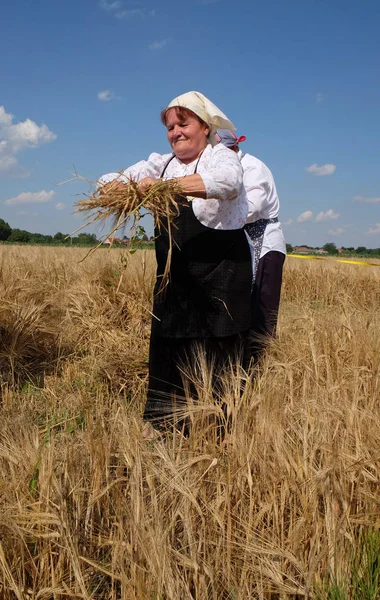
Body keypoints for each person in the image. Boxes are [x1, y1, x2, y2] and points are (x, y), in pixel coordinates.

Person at [99, 92, 253, 431]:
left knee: (218, 348)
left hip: (221, 272)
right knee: (171, 343)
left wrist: (163, 187)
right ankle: (168, 427)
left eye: (183, 123)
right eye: (170, 127)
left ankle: (218, 429)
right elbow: (107, 182)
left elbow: (228, 183)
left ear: (205, 127)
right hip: (175, 273)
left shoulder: (221, 157)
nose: (176, 132)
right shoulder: (160, 162)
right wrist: (123, 188)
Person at [216, 130, 286, 363]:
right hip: (245, 240)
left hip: (265, 243)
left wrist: (215, 217)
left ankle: (260, 362)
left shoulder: (251, 168)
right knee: (244, 302)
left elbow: (253, 207)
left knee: (262, 306)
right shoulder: (231, 169)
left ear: (230, 150)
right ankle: (242, 359)